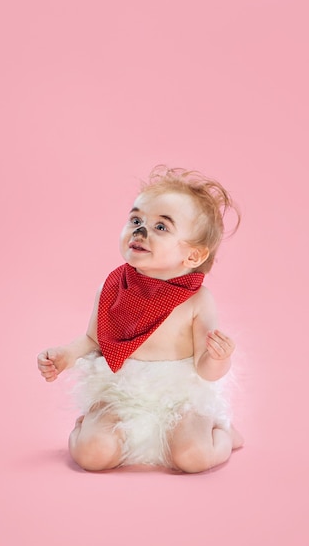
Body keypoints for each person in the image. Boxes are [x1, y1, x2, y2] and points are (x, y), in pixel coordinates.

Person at [37, 166, 244, 473]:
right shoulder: (113, 286)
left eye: (161, 227)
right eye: (136, 220)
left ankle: (222, 433)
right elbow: (95, 339)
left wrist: (218, 358)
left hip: (178, 396)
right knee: (92, 455)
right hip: (122, 387)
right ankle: (90, 423)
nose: (140, 231)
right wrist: (66, 355)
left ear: (193, 257)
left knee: (193, 457)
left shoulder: (197, 301)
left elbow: (205, 368)